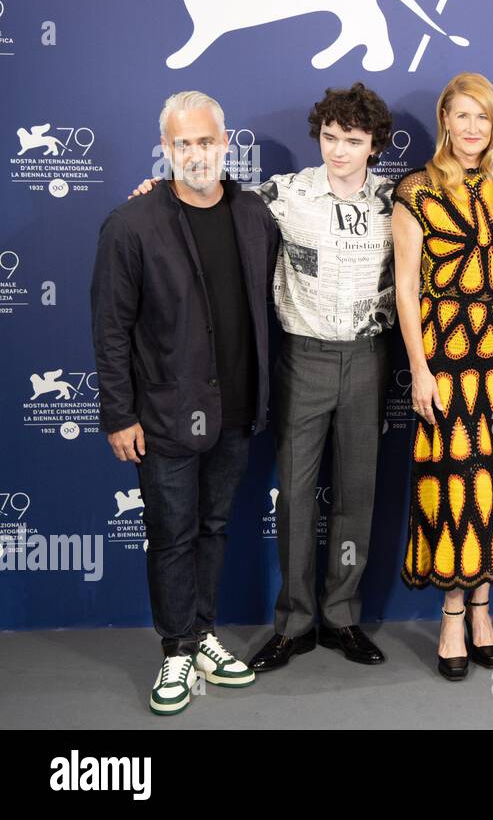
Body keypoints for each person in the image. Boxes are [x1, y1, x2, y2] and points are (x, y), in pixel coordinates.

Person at [132, 84, 399, 673]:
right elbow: (204, 196)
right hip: (301, 358)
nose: (338, 151)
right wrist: (157, 192)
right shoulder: (282, 195)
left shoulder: (398, 200)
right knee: (297, 495)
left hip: (368, 358)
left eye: (352, 141)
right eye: (329, 137)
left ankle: (343, 617)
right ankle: (296, 623)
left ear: (374, 145)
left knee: (357, 493)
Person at [92, 90, 278, 714]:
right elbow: (111, 327)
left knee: (214, 527)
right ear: (165, 149)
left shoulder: (254, 214)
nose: (195, 154)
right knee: (171, 534)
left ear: (226, 144)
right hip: (166, 412)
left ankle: (203, 635)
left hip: (236, 409)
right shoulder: (132, 223)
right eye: (182, 144)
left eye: (205, 141)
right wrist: (118, 413)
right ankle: (175, 649)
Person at [392, 72, 493, 681]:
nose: (471, 129)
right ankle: (452, 615)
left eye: (482, 118)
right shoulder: (417, 191)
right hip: (448, 356)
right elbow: (406, 290)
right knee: (457, 480)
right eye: (461, 116)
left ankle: (484, 611)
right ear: (444, 120)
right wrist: (418, 368)